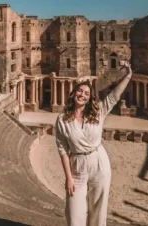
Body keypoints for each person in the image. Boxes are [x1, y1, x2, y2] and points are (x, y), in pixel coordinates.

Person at [55, 61, 133, 226]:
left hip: (99, 162)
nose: (82, 95)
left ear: (90, 98)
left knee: (98, 213)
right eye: (80, 91)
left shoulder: (98, 112)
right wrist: (68, 178)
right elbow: (62, 150)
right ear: (74, 93)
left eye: (86, 93)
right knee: (74, 217)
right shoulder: (62, 120)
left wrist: (128, 75)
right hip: (77, 167)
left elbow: (114, 97)